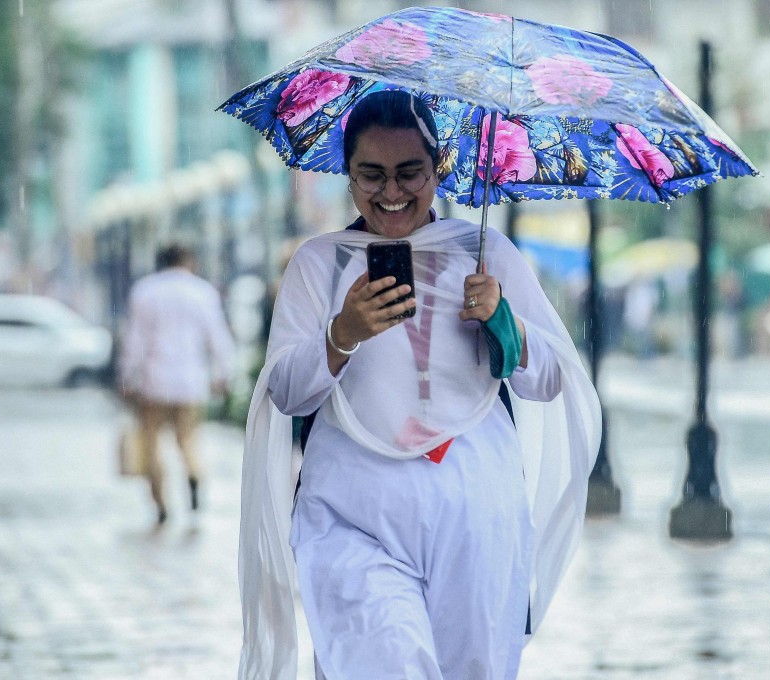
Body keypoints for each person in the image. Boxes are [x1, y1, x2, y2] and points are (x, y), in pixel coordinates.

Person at [239, 91, 601, 680]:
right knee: (383, 660)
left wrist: (501, 318)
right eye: (371, 175)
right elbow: (286, 391)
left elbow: (551, 378)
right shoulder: (322, 263)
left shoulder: (485, 254)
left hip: (476, 511)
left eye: (410, 172)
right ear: (347, 174)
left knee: (473, 667)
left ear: (440, 168)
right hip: (353, 512)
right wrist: (342, 334)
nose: (391, 193)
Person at [120, 244, 236, 525]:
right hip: (190, 382)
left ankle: (160, 503)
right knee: (188, 439)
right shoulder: (203, 292)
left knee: (152, 445)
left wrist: (127, 376)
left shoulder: (145, 291)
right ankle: (194, 476)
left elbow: (135, 340)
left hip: (153, 382)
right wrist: (223, 374)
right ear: (188, 261)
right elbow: (217, 337)